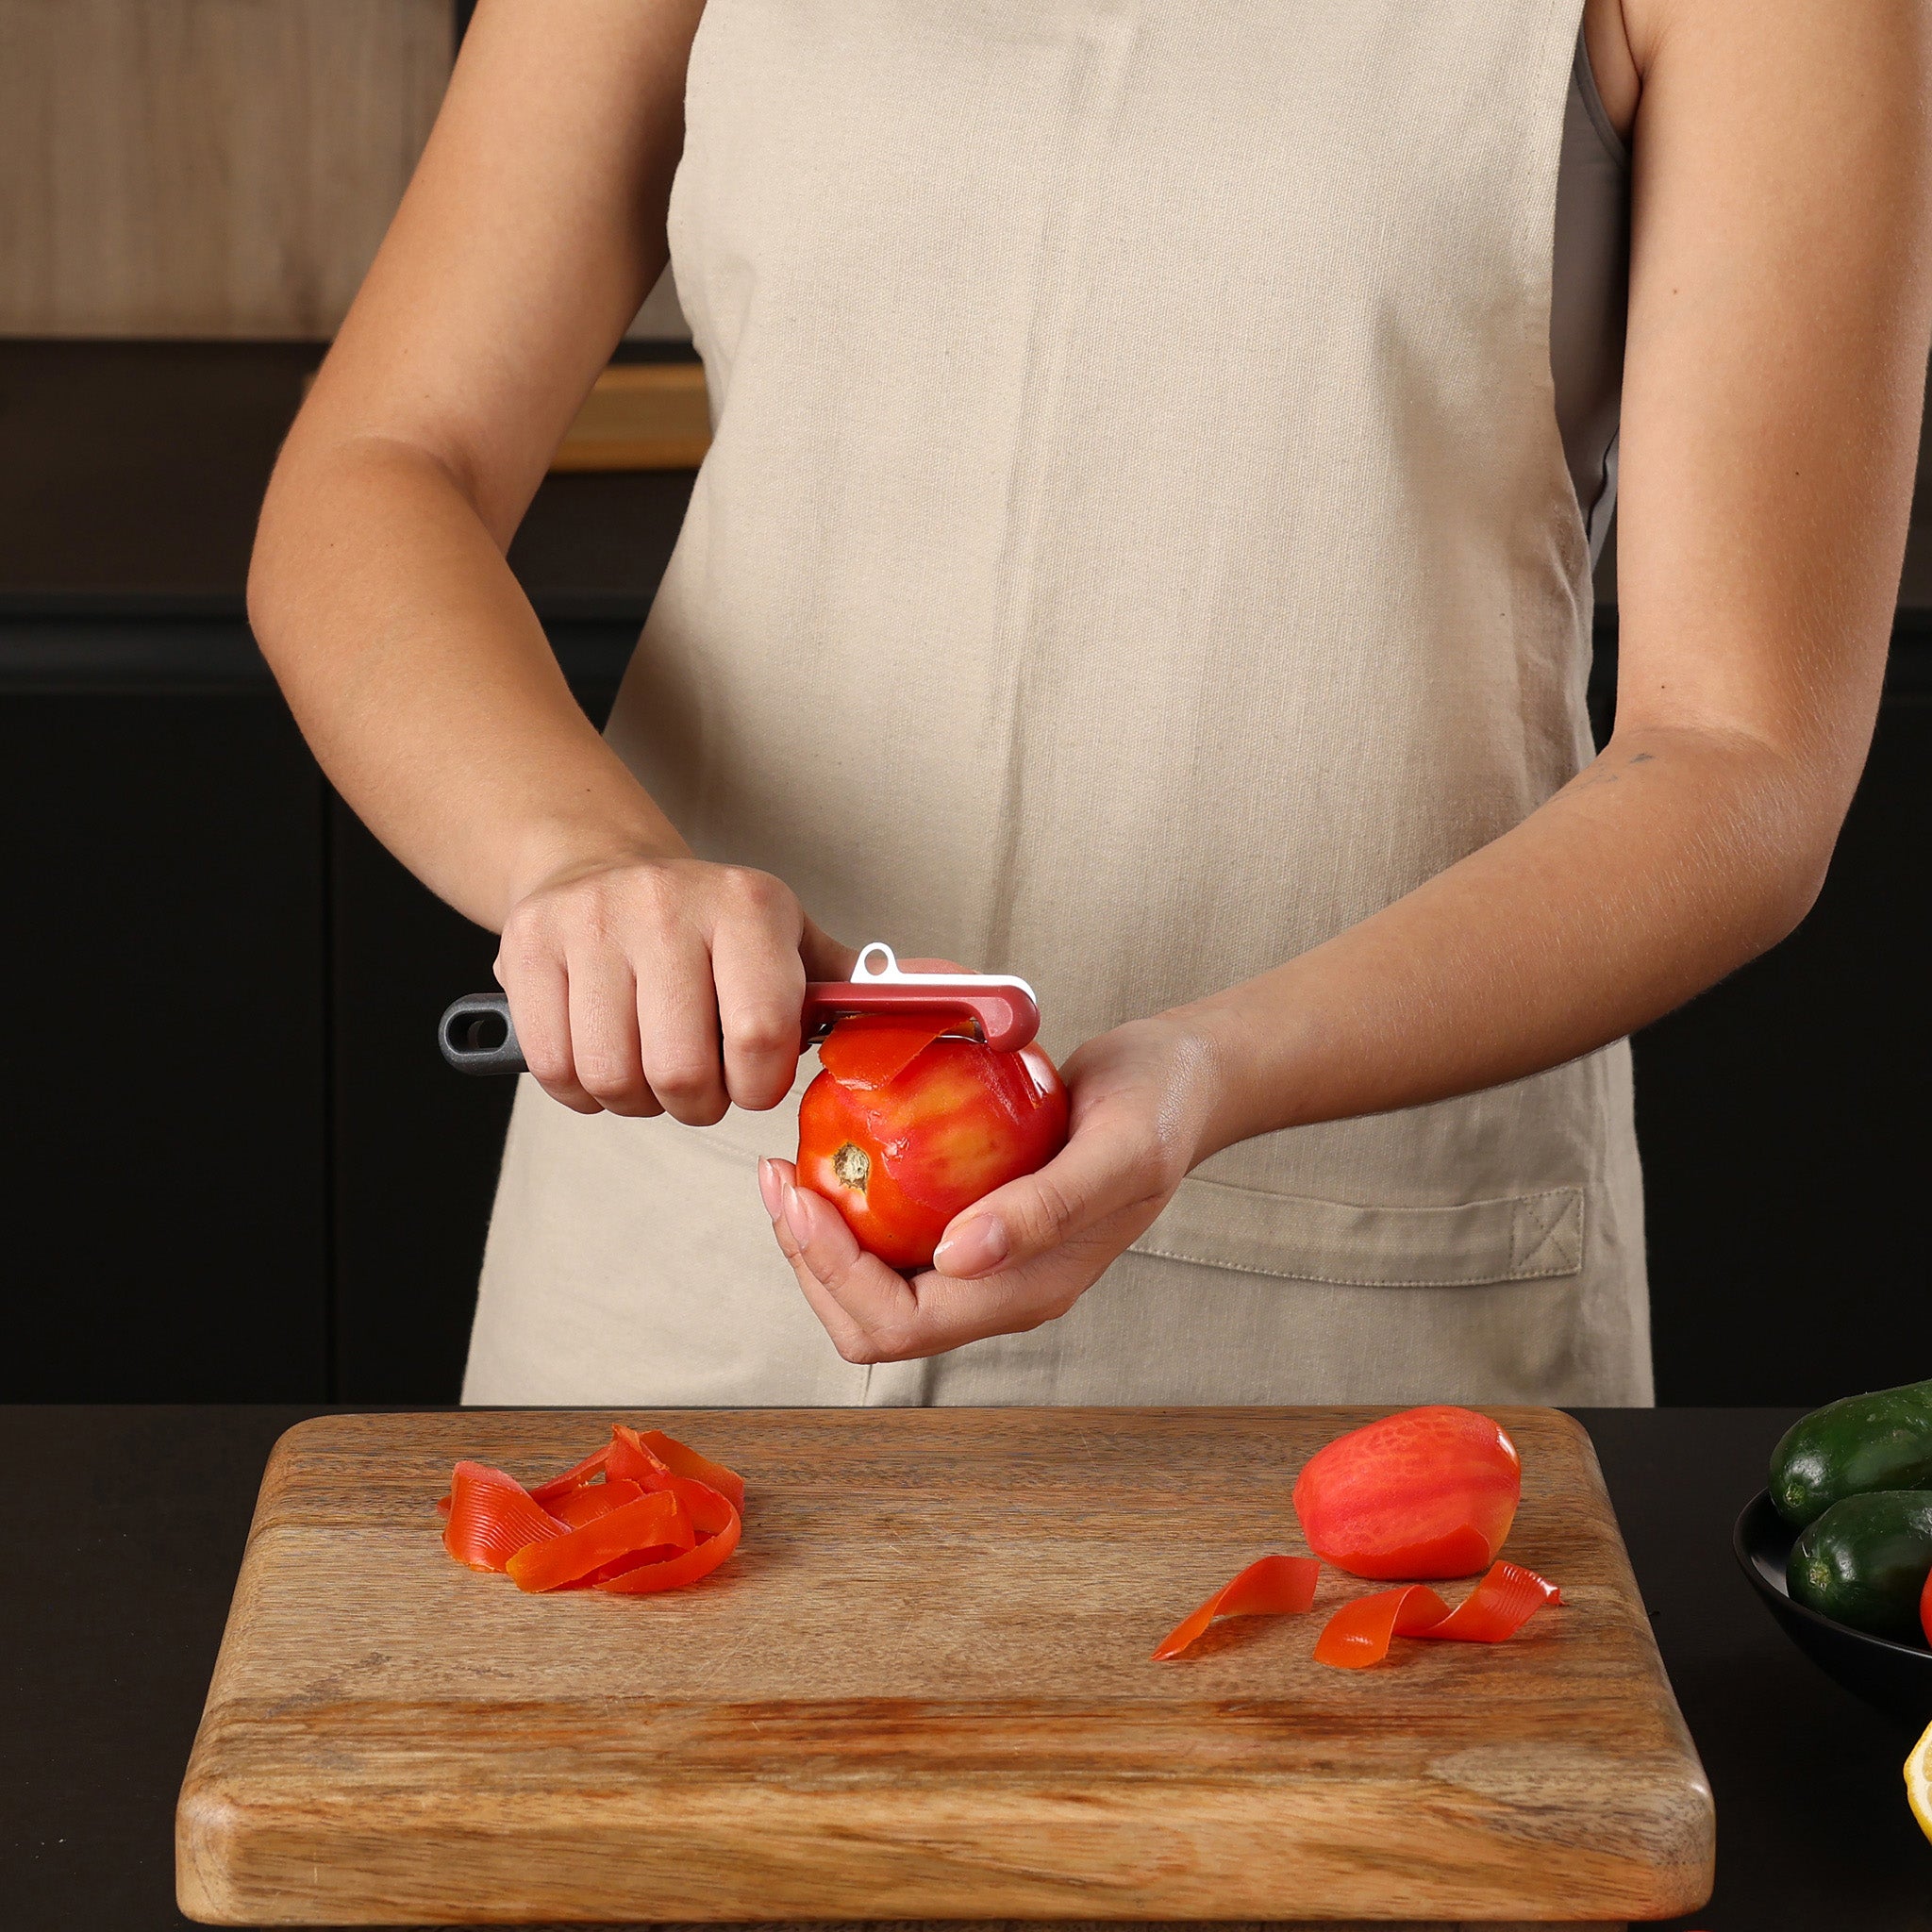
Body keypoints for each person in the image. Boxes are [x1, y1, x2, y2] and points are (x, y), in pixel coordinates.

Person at [249, 0, 1932, 1407]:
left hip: (1354, 1318)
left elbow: (1740, 756)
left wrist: (1214, 1070)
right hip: (698, 1254)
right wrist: (577, 863)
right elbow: (386, 467)